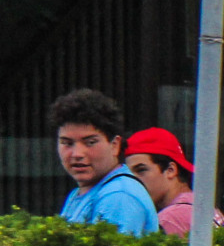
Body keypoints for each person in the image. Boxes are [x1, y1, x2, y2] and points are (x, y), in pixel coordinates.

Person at [52, 88, 158, 235]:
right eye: (67, 143)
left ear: (115, 145)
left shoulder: (118, 196)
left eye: (90, 142)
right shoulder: (79, 193)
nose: (77, 154)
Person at [121, 128, 224, 237]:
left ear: (170, 170)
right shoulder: (201, 206)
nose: (133, 180)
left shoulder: (170, 219)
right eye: (129, 173)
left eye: (141, 170)